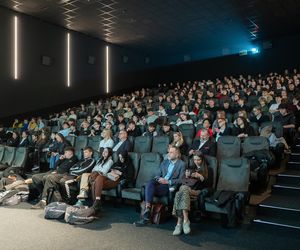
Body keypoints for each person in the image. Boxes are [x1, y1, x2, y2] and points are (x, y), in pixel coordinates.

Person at [134, 146, 186, 226]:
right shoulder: (165, 162)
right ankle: (148, 209)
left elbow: (181, 180)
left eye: (171, 152)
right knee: (150, 183)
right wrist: (159, 179)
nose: (169, 154)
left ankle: (146, 215)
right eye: (169, 152)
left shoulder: (181, 164)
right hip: (159, 182)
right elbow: (157, 174)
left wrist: (168, 181)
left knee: (148, 188)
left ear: (177, 154)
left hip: (168, 186)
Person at [172, 152, 209, 235]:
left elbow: (208, 185)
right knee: (182, 191)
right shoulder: (191, 168)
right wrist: (187, 176)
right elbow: (184, 181)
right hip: (188, 189)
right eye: (195, 159)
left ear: (202, 160)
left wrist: (200, 177)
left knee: (180, 192)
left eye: (198, 160)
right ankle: (184, 220)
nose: (196, 161)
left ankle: (179, 223)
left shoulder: (208, 169)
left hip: (198, 191)